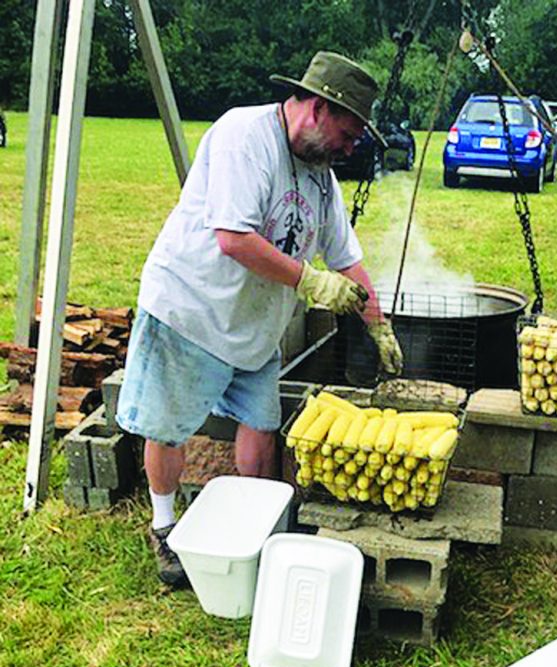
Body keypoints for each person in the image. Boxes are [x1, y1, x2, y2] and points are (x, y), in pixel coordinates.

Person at [117, 51, 403, 588]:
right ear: (317, 109)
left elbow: (347, 259)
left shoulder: (322, 177)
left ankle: (257, 526)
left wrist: (377, 322)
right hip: (193, 308)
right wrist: (309, 281)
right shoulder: (243, 136)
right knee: (169, 426)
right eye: (348, 133)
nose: (351, 147)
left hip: (254, 322)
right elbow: (232, 237)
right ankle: (163, 527)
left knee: (262, 423)